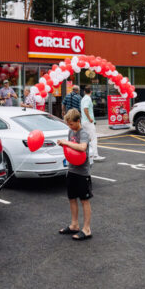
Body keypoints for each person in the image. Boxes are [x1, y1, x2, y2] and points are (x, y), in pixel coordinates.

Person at [57, 108, 94, 240]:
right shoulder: (70, 132)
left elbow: (83, 147)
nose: (70, 126)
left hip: (82, 173)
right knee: (72, 198)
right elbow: (71, 149)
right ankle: (74, 225)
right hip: (71, 170)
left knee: (84, 200)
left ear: (78, 121)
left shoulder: (83, 133)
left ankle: (87, 229)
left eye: (71, 124)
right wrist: (63, 145)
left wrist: (66, 142)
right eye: (68, 124)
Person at [79, 85, 103, 162]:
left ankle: (87, 154)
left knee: (86, 138)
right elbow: (85, 109)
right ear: (91, 92)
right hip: (88, 122)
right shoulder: (88, 98)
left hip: (84, 121)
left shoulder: (83, 99)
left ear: (84, 91)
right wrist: (90, 118)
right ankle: (95, 155)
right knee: (93, 138)